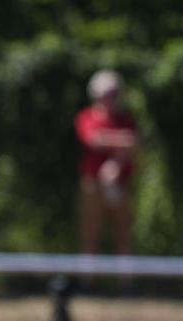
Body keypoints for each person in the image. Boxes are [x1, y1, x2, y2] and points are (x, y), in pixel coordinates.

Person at [74, 69, 138, 256]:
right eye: (107, 94)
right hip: (93, 184)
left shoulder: (125, 119)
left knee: (124, 235)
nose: (111, 98)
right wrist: (121, 140)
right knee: (90, 234)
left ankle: (125, 282)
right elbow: (94, 140)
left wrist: (114, 165)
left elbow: (133, 142)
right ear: (96, 94)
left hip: (120, 183)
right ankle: (87, 282)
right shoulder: (87, 117)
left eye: (115, 93)